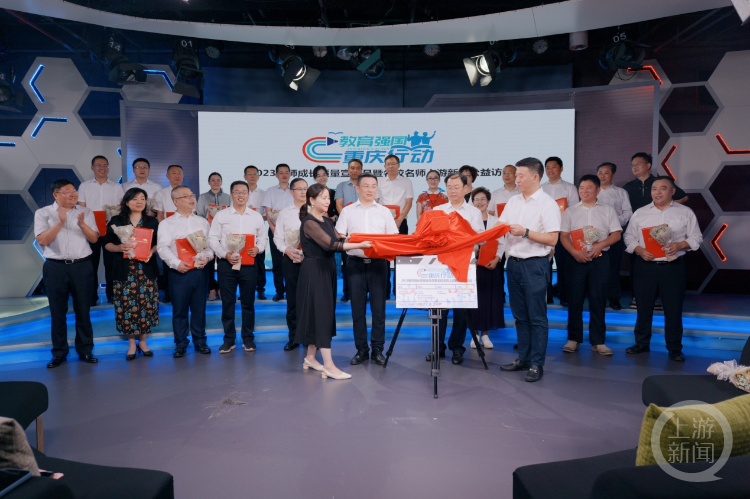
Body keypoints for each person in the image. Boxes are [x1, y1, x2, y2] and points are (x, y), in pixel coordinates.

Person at [295, 184, 372, 380]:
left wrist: (359, 237)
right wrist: (361, 244)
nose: (327, 201)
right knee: (322, 315)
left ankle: (310, 357)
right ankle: (329, 366)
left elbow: (341, 237)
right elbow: (332, 245)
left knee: (321, 313)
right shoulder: (309, 222)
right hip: (314, 272)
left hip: (326, 270)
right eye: (323, 198)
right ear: (311, 200)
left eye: (328, 198)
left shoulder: (327, 220)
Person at [623, 176, 702, 362]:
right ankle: (641, 343)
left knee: (673, 308)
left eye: (663, 188)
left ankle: (674, 348)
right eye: (654, 189)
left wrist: (680, 244)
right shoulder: (640, 213)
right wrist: (640, 250)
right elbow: (629, 237)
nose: (657, 192)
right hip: (645, 266)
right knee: (643, 307)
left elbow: (696, 237)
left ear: (672, 191)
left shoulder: (685, 212)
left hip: (672, 266)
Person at [498, 158, 560, 382]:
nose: (516, 179)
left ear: (535, 177)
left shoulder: (547, 204)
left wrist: (525, 232)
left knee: (537, 317)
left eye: (520, 175)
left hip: (535, 265)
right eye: (516, 175)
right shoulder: (513, 201)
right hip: (513, 265)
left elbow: (552, 238)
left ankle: (536, 363)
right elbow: (500, 226)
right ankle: (523, 358)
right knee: (520, 316)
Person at [34, 179, 100, 368]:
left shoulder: (85, 212)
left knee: (83, 310)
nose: (73, 194)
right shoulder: (43, 213)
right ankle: (59, 353)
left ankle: (85, 350)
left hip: (82, 266)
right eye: (67, 191)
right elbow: (43, 240)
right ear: (56, 195)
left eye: (74, 191)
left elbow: (94, 239)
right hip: (55, 267)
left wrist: (82, 225)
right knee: (57, 311)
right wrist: (60, 222)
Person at [336, 173, 398, 366]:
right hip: (355, 265)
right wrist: (352, 240)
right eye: (366, 186)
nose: (370, 190)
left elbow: (393, 237)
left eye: (373, 186)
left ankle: (377, 350)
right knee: (357, 311)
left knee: (379, 310)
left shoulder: (384, 211)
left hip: (379, 265)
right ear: (357, 188)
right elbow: (339, 236)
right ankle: (361, 350)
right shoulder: (347, 211)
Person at [425, 174, 485, 366]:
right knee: (439, 309)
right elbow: (432, 237)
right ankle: (437, 347)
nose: (452, 191)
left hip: (464, 265)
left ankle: (457, 348)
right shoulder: (438, 210)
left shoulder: (473, 212)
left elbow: (480, 240)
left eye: (456, 187)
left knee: (461, 310)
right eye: (449, 187)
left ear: (465, 189)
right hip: (441, 266)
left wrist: (468, 248)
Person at [559, 175, 622, 356]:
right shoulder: (570, 211)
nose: (584, 191)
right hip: (575, 259)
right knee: (574, 300)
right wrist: (574, 252)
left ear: (598, 190)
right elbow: (564, 236)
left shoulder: (608, 210)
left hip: (600, 259)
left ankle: (598, 341)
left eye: (589, 187)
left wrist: (601, 245)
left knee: (598, 299)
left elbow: (616, 234)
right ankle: (573, 339)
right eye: (581, 188)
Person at [623, 152, 689, 309]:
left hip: (661, 231)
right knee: (636, 264)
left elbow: (684, 197)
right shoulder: (628, 187)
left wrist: (667, 207)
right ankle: (637, 296)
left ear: (648, 165)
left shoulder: (659, 182)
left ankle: (658, 298)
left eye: (638, 164)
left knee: (664, 264)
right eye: (632, 165)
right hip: (639, 231)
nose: (634, 167)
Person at [208, 181, 267, 355]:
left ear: (248, 195)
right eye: (237, 192)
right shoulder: (222, 215)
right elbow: (213, 238)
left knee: (248, 303)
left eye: (244, 192)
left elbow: (263, 238)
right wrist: (223, 253)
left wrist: (258, 248)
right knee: (228, 303)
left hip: (249, 264)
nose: (240, 195)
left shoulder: (256, 216)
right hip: (227, 264)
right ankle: (229, 339)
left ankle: (248, 338)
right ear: (231, 195)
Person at [156, 185, 214, 358]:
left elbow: (210, 247)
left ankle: (200, 340)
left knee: (199, 308)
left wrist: (207, 257)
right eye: (186, 196)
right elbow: (162, 248)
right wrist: (176, 263)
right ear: (176, 201)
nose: (191, 199)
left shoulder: (202, 222)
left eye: (192, 195)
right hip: (179, 272)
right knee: (179, 309)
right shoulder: (167, 223)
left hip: (200, 270)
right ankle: (181, 343)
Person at [103, 187, 159, 360]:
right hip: (124, 269)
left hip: (145, 270)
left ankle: (143, 341)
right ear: (127, 202)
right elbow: (107, 244)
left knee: (145, 306)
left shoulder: (152, 221)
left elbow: (159, 243)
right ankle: (132, 343)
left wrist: (151, 252)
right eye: (135, 199)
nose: (139, 202)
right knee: (127, 306)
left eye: (142, 198)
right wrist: (119, 248)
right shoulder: (116, 220)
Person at [77, 155, 125, 305]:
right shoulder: (84, 186)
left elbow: (122, 208)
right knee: (91, 264)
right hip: (91, 230)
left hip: (111, 230)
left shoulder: (117, 187)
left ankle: (112, 295)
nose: (102, 168)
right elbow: (81, 208)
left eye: (105, 165)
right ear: (92, 168)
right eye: (99, 165)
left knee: (112, 264)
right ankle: (91, 296)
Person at [468, 187, 506, 350]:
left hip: (491, 265)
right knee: (474, 300)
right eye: (476, 199)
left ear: (489, 201)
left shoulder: (496, 221)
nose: (479, 202)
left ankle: (485, 334)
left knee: (489, 300)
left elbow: (502, 243)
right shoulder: (468, 221)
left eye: (483, 199)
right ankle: (475, 334)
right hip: (472, 266)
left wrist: (496, 259)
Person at [274, 178, 308, 352]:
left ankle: (310, 337)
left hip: (311, 261)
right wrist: (287, 250)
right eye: (299, 189)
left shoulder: (315, 210)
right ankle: (293, 337)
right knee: (293, 300)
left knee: (310, 300)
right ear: (291, 192)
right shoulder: (284, 213)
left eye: (305, 188)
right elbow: (278, 238)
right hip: (291, 259)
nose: (303, 192)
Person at [541, 156, 579, 307]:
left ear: (561, 169)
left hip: (563, 232)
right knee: (544, 264)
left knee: (564, 265)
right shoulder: (540, 188)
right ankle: (547, 295)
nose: (550, 170)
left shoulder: (569, 188)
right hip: (544, 232)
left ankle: (564, 295)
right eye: (548, 167)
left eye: (554, 167)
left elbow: (575, 210)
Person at [596, 162, 632, 310]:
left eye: (606, 173)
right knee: (597, 267)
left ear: (613, 175)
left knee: (614, 267)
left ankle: (614, 298)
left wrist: (615, 223)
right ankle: (598, 298)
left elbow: (628, 212)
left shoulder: (620, 192)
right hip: (595, 236)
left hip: (614, 234)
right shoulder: (592, 191)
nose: (602, 176)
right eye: (600, 172)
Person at [378, 154, 414, 297]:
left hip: (401, 222)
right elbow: (376, 202)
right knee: (384, 257)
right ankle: (385, 290)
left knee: (401, 257)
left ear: (399, 165)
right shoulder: (379, 182)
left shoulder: (406, 182)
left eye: (393, 164)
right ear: (385, 166)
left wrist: (400, 219)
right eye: (388, 164)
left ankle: (399, 290)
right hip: (383, 224)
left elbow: (409, 203)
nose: (391, 166)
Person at [196, 172, 231, 301]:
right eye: (213, 180)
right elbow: (199, 215)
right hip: (208, 233)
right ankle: (211, 288)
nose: (215, 182)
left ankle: (221, 287)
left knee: (223, 262)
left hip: (224, 234)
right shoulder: (203, 197)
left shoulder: (228, 197)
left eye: (218, 180)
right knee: (209, 262)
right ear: (209, 182)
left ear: (221, 182)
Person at [261, 164, 293, 301]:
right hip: (274, 229)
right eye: (281, 172)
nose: (284, 175)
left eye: (286, 172)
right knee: (277, 261)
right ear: (276, 175)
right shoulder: (270, 191)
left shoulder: (295, 190)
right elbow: (268, 211)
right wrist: (273, 229)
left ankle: (292, 290)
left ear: (290, 174)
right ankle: (279, 291)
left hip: (293, 232)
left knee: (292, 260)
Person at [154, 165, 185, 303]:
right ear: (167, 176)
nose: (177, 175)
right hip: (168, 233)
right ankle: (168, 293)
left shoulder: (188, 193)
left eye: (179, 173)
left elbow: (193, 213)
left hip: (184, 234)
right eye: (173, 173)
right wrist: (166, 230)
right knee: (168, 263)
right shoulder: (161, 193)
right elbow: (160, 214)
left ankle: (184, 292)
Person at [334, 159, 363, 302]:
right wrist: (348, 221)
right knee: (347, 261)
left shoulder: (365, 185)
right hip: (346, 228)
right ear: (348, 169)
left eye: (357, 168)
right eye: (352, 168)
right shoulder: (341, 186)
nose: (355, 170)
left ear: (361, 170)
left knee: (363, 260)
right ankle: (347, 292)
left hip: (363, 228)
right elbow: (339, 205)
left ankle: (363, 292)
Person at [244, 165, 267, 300]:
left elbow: (267, 215)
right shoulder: (240, 193)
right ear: (245, 177)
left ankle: (260, 289)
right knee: (244, 261)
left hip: (258, 231)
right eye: (249, 174)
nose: (252, 176)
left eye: (254, 174)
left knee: (259, 262)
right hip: (242, 232)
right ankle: (246, 290)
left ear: (258, 176)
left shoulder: (264, 194)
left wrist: (256, 216)